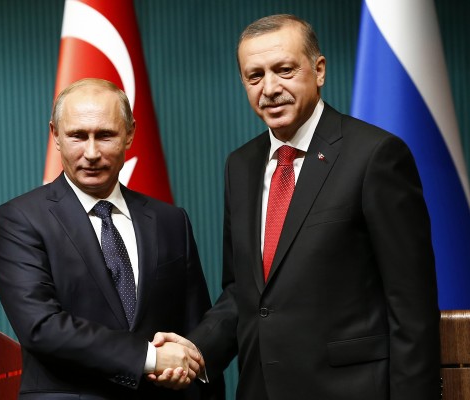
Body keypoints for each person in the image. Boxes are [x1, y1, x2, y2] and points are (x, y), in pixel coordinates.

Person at [152, 14, 441, 400]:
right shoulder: (241, 165)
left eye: (284, 70)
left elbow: (411, 307)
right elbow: (244, 291)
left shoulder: (375, 155)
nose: (270, 88)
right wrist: (197, 350)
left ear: (318, 70)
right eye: (255, 76)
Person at [0, 78, 224, 399]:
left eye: (105, 135)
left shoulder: (171, 220)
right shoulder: (19, 219)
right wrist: (151, 358)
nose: (91, 153)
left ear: (129, 134)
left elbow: (194, 327)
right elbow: (40, 327)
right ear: (55, 136)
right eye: (76, 136)